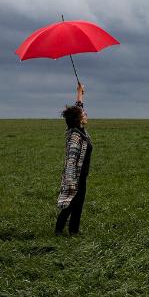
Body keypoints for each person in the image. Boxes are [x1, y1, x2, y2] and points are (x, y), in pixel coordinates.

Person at [55, 81, 92, 236]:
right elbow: (70, 161)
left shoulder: (78, 129)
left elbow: (79, 107)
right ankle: (58, 230)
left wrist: (80, 93)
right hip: (75, 176)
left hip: (82, 175)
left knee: (78, 203)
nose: (86, 114)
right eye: (83, 114)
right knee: (71, 203)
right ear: (78, 119)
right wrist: (71, 182)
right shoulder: (75, 137)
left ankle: (73, 231)